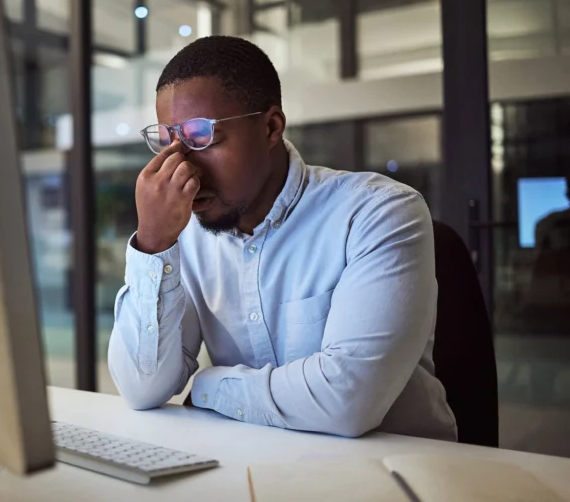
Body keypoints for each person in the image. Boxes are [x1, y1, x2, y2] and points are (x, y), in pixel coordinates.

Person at [107, 36, 457, 441]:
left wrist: (207, 387)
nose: (181, 166)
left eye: (201, 136)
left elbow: (348, 403)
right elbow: (140, 388)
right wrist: (153, 243)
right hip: (256, 467)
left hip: (394, 474)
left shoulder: (379, 214)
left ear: (271, 127)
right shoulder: (182, 232)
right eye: (168, 141)